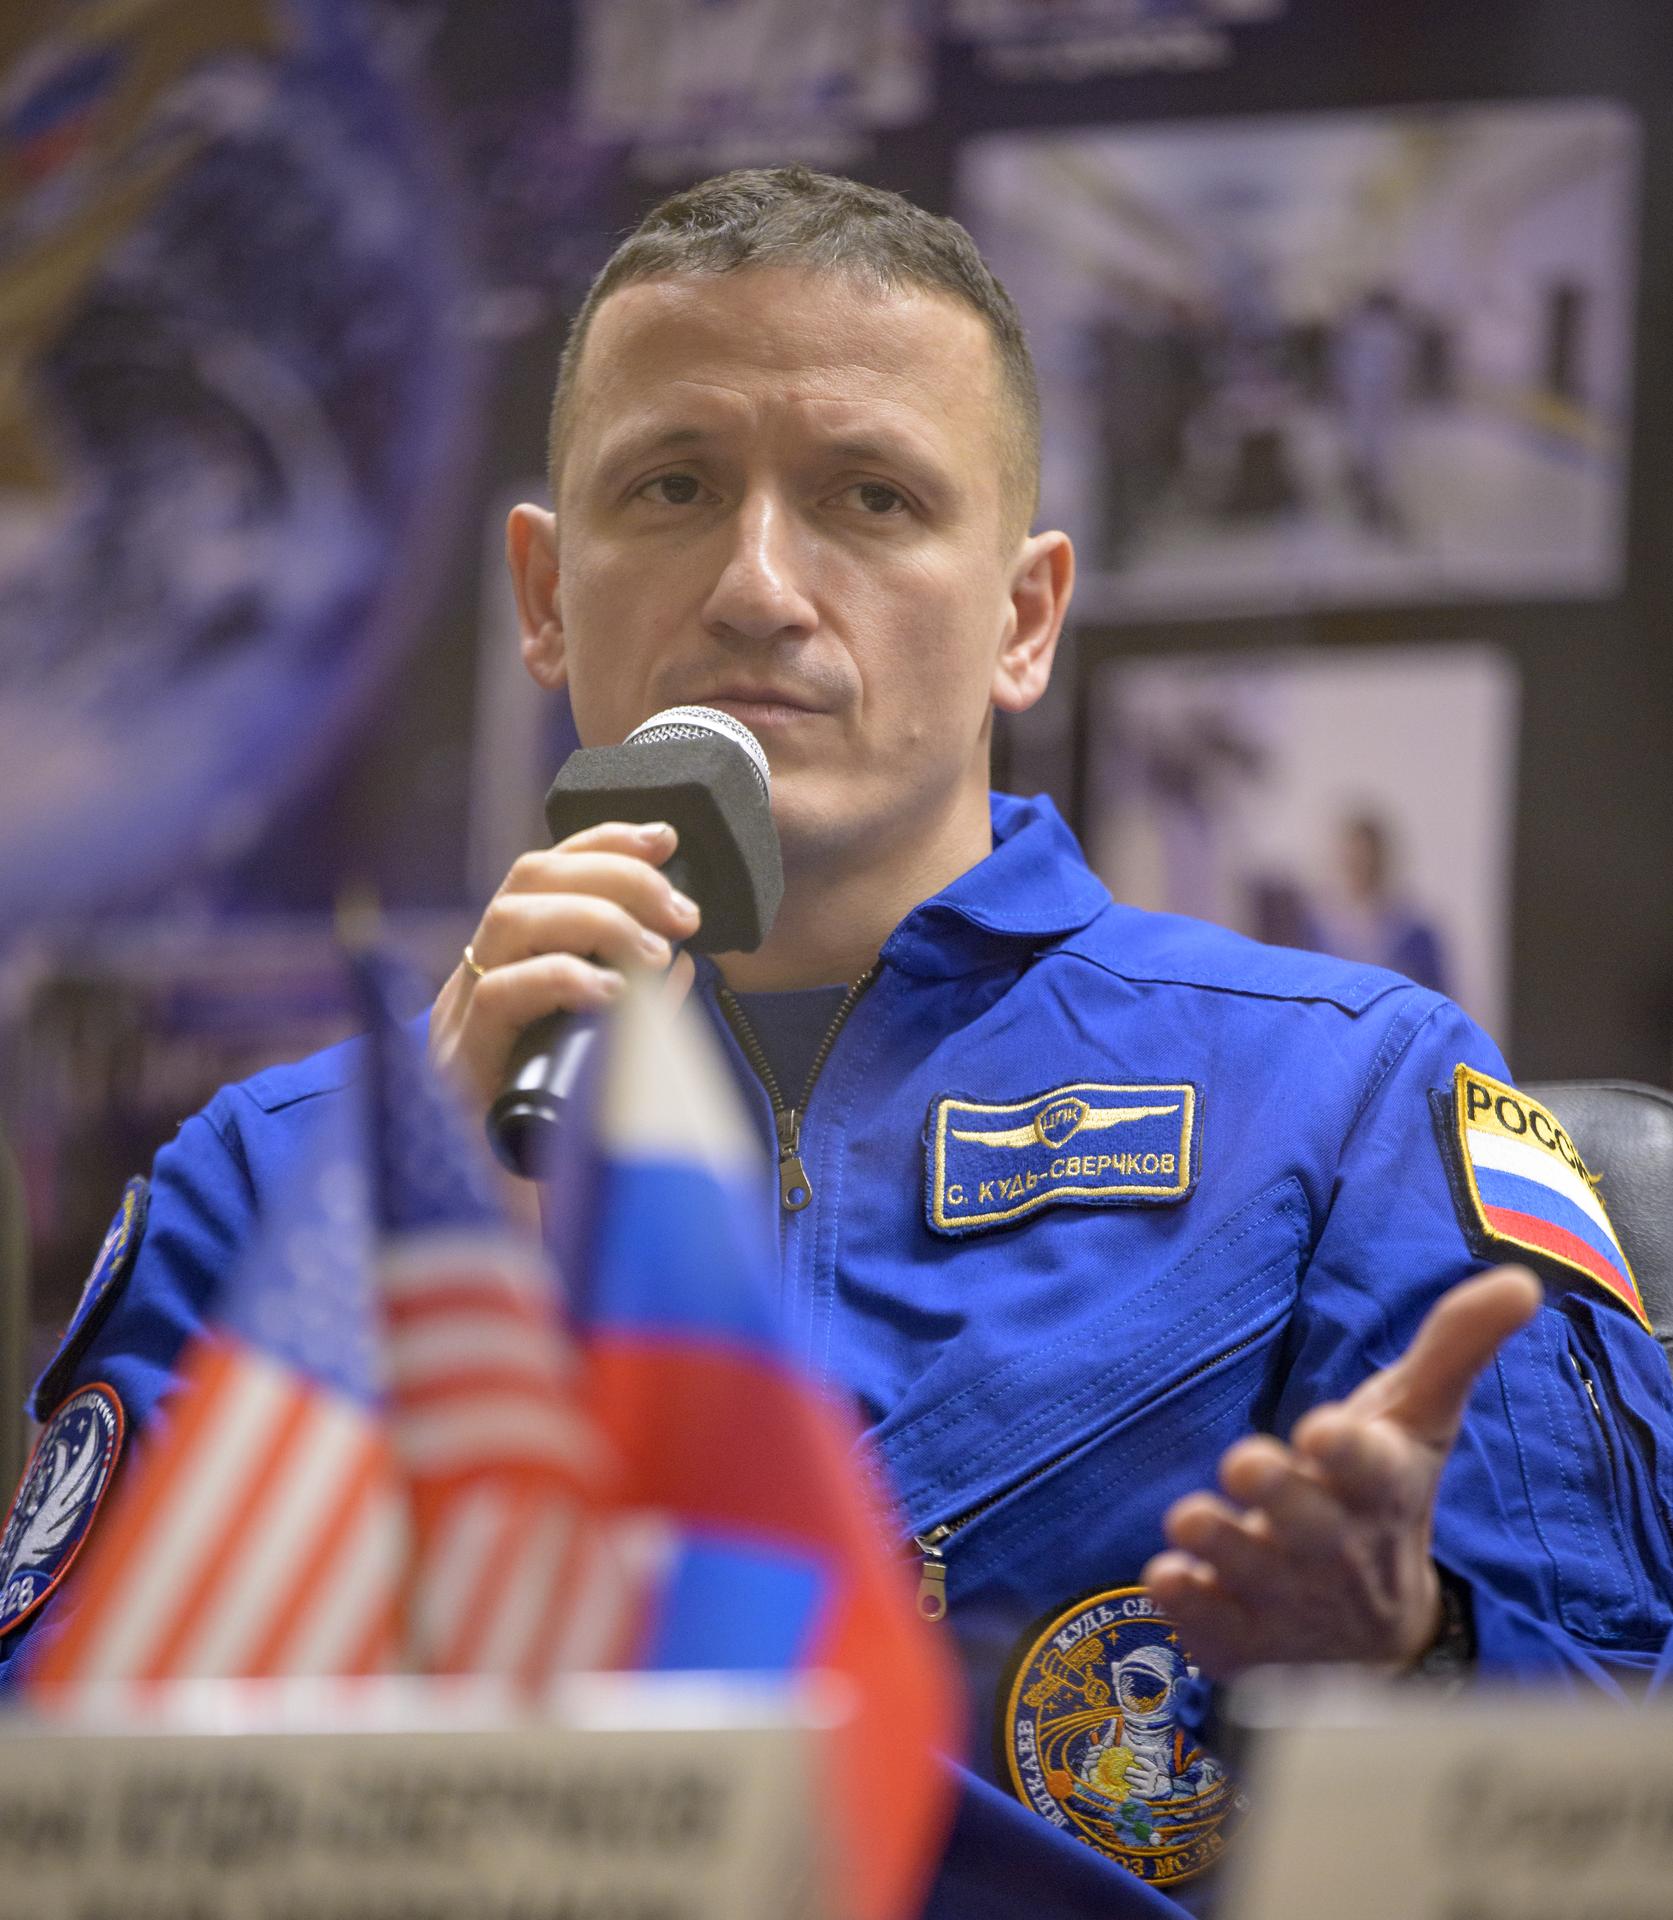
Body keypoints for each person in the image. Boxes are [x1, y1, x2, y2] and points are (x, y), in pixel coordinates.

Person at [4, 169, 1671, 1917]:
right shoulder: (281, 1173)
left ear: (1024, 615)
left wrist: (1411, 1648)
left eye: (869, 498)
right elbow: (53, 1818)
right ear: (545, 590)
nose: (757, 587)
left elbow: (1602, 1784)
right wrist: (391, 1270)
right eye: (673, 487)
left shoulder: (1343, 1098)